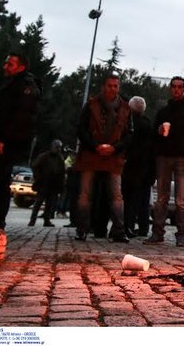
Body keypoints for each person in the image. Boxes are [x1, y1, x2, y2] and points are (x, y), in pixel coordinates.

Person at [0, 53, 40, 229]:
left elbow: (18, 117)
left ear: (21, 67)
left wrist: (1, 139)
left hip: (7, 142)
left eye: (10, 64)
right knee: (1, 182)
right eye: (6, 63)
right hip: (7, 140)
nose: (5, 66)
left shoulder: (22, 87)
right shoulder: (14, 85)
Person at [145, 76, 184, 247]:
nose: (177, 89)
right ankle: (157, 233)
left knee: (181, 199)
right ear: (170, 89)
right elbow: (154, 134)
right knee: (161, 198)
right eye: (174, 87)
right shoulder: (164, 111)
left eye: (180, 87)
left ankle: (181, 234)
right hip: (164, 156)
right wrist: (159, 130)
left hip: (182, 157)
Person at [74, 74, 132, 242]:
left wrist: (115, 148)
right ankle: (82, 228)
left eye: (115, 86)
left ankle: (119, 230)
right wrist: (95, 146)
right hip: (91, 154)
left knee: (116, 195)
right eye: (109, 85)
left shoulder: (125, 108)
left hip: (114, 156)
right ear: (103, 86)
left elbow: (129, 135)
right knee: (85, 194)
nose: (112, 89)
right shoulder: (91, 105)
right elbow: (81, 129)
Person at [122, 96, 155, 238]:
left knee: (130, 199)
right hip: (146, 168)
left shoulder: (131, 124)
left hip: (133, 167)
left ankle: (128, 225)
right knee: (143, 200)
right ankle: (143, 227)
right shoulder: (148, 124)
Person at [29, 139, 65, 227]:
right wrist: (38, 177)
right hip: (44, 182)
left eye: (59, 148)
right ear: (52, 147)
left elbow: (62, 172)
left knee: (49, 204)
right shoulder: (44, 156)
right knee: (38, 203)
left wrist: (61, 184)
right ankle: (32, 220)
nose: (58, 149)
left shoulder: (60, 158)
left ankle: (47, 220)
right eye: (57, 147)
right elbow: (35, 166)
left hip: (54, 184)